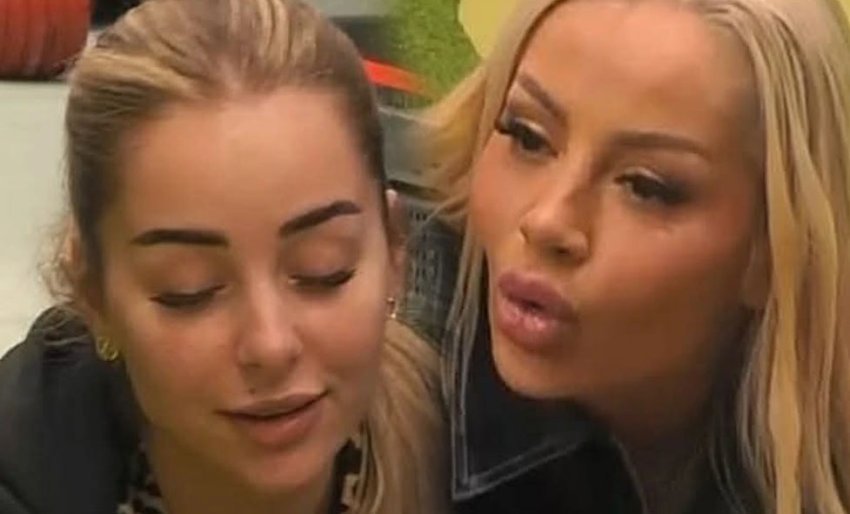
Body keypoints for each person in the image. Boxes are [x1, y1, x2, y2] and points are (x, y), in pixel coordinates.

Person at [0, 0, 445, 513]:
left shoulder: (483, 465)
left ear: (394, 250)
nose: (270, 345)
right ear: (93, 293)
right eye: (189, 292)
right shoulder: (27, 468)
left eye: (323, 270)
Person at [420, 0, 850, 512]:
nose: (547, 221)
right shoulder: (379, 414)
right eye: (528, 137)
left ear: (778, 246)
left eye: (644, 186)